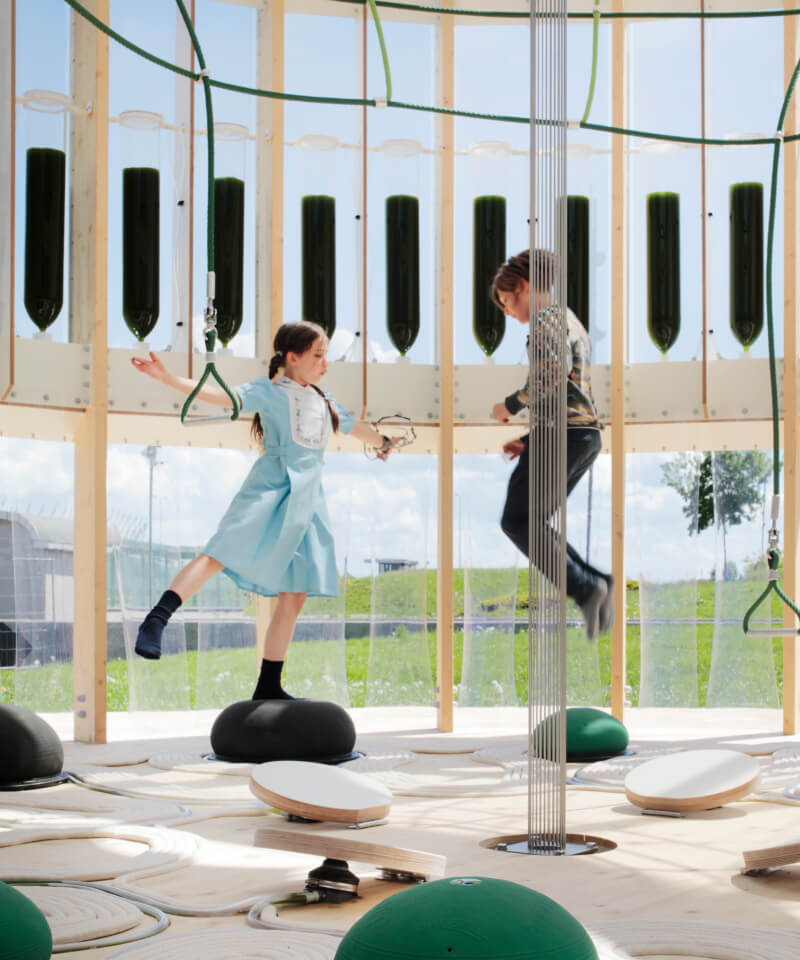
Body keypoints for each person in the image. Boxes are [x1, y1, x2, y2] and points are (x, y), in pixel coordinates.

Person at [130, 320, 397, 699]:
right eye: (318, 355)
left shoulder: (325, 401)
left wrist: (385, 442)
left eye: (326, 356)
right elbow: (218, 395)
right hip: (271, 486)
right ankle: (156, 620)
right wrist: (167, 378)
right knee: (219, 552)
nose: (325, 364)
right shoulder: (270, 393)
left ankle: (268, 686)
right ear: (292, 357)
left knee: (296, 593)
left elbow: (357, 428)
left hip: (308, 502)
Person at [490, 249, 614, 643]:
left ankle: (586, 588)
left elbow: (551, 375)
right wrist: (529, 441)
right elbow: (570, 394)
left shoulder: (545, 321)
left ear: (523, 287)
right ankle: (595, 583)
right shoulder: (570, 319)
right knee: (532, 521)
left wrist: (509, 406)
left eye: (508, 303)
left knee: (516, 521)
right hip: (583, 435)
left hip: (565, 436)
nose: (508, 313)